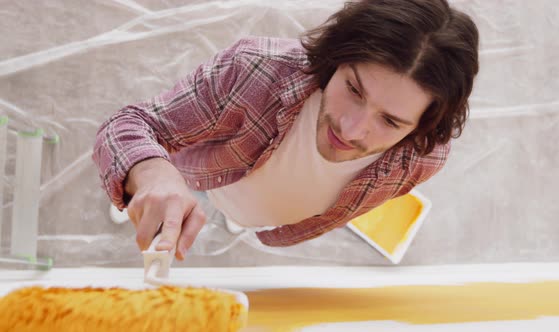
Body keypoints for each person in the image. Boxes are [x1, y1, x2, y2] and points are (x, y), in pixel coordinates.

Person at [93, 0, 479, 261]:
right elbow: (131, 123)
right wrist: (150, 174)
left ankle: (242, 212)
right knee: (159, 187)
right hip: (206, 172)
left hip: (269, 208)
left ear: (419, 128)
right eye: (353, 89)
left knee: (251, 207)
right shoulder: (252, 70)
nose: (351, 128)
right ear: (336, 58)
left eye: (390, 121)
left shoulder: (424, 158)